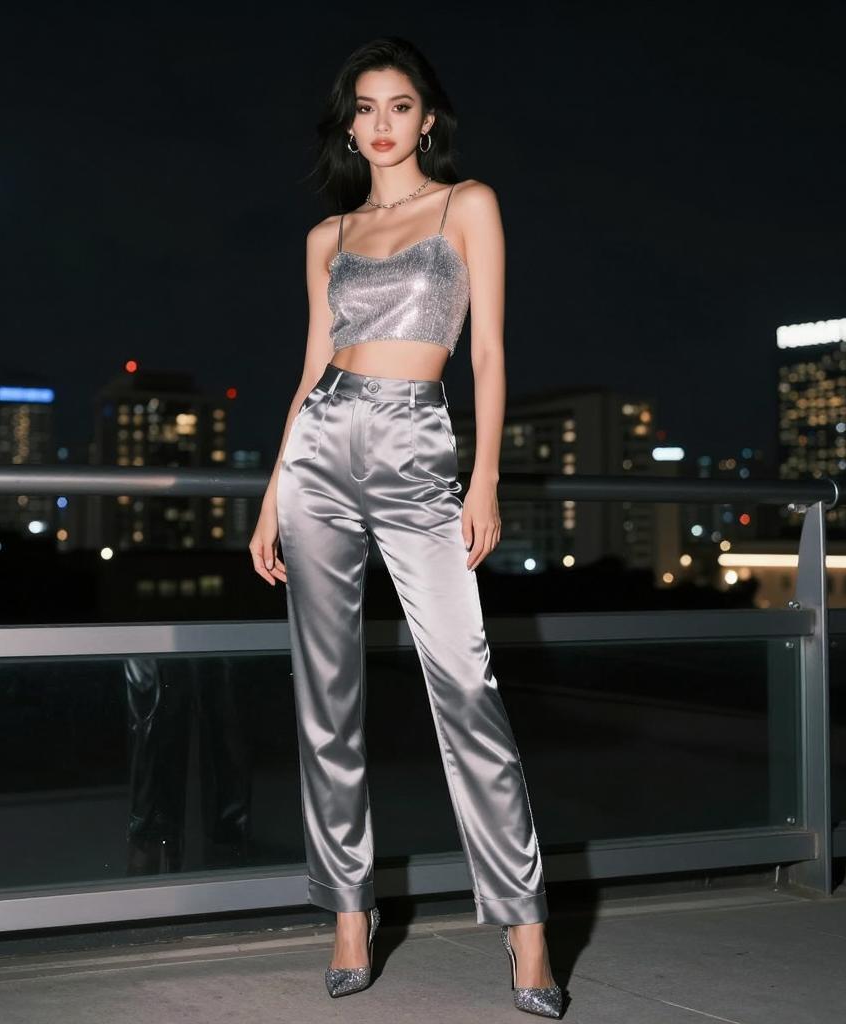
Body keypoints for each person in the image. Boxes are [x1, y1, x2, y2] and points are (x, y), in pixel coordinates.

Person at [249, 36, 565, 1018]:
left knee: (466, 683)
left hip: (418, 444)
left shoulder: (467, 204)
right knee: (325, 692)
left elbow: (490, 354)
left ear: (427, 119)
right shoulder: (328, 236)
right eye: (364, 108)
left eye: (399, 105)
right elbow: (311, 368)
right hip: (320, 448)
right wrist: (271, 492)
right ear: (348, 127)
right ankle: (349, 911)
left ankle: (527, 926)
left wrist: (484, 478)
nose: (381, 123)